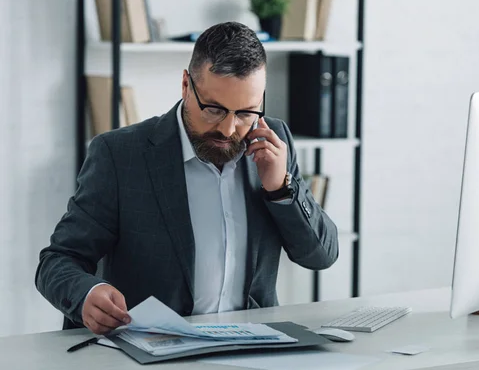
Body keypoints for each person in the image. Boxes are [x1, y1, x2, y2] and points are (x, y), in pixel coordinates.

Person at [35, 21, 339, 335]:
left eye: (247, 112)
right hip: (151, 353)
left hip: (252, 351)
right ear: (185, 85)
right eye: (214, 109)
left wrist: (280, 189)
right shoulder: (120, 155)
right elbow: (59, 260)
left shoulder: (275, 141)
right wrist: (86, 294)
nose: (228, 129)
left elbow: (320, 256)